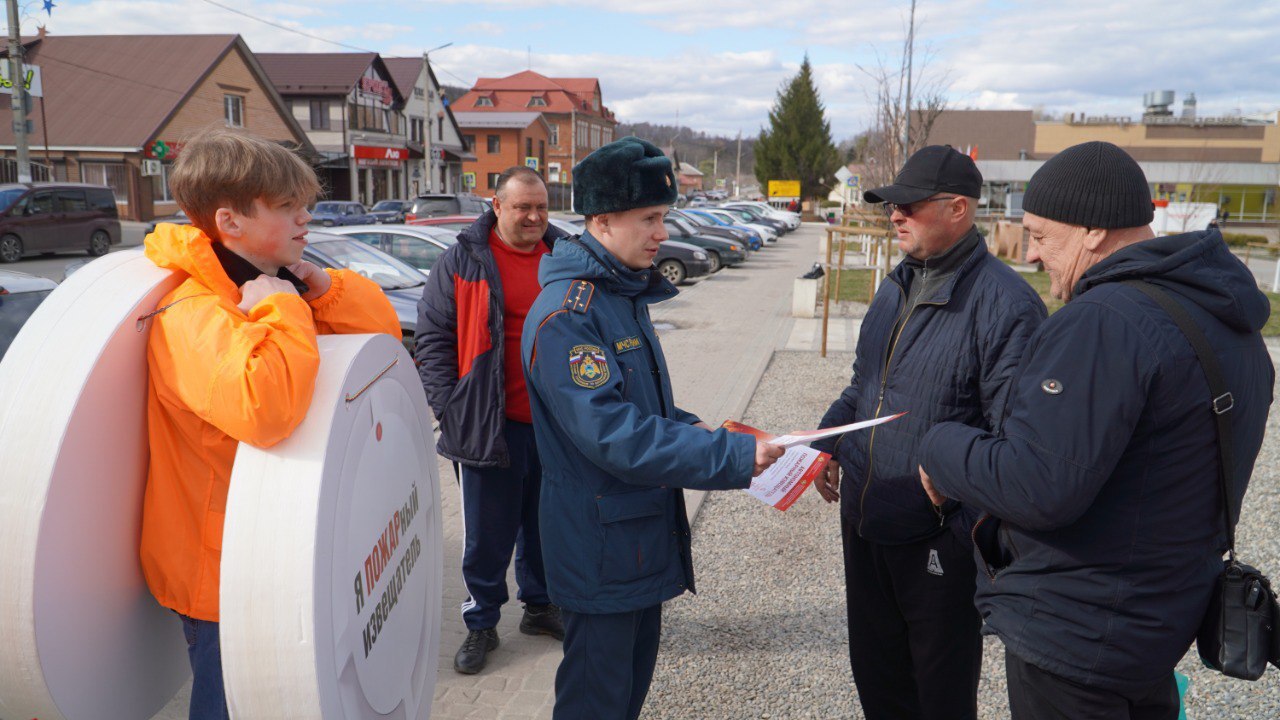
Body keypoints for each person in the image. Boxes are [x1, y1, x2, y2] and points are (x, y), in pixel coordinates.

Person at [918, 141, 1274, 720]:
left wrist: (940, 446)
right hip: (1160, 622)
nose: (1031, 255)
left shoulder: (1105, 321)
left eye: (1039, 235)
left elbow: (1038, 484)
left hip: (1080, 636)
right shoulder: (1228, 319)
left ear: (1090, 231)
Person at [138, 127, 400, 720]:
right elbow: (267, 410)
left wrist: (323, 289)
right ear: (230, 222)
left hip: (274, 551)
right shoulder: (194, 312)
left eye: (304, 204)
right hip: (223, 575)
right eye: (287, 207)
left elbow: (379, 345)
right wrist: (283, 305)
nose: (306, 218)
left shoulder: (268, 286)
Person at [521, 137, 785, 720]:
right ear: (601, 220)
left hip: (633, 543)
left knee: (625, 700)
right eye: (650, 219)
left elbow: (652, 414)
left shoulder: (619, 296)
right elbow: (616, 435)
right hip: (599, 549)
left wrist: (721, 434)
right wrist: (731, 457)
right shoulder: (570, 314)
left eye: (663, 217)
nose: (663, 233)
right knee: (597, 702)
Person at [810, 144, 1046, 720]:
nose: (895, 215)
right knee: (878, 680)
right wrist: (825, 442)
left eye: (909, 206)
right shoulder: (894, 285)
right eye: (892, 205)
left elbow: (1013, 444)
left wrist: (954, 525)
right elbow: (865, 388)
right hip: (865, 525)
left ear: (958, 209)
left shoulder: (1007, 306)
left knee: (937, 696)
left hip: (937, 545)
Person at [415, 165, 567, 674]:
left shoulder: (564, 257)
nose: (534, 216)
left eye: (541, 207)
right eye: (523, 207)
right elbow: (433, 341)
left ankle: (539, 607)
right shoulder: (463, 261)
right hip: (486, 427)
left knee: (545, 526)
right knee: (487, 535)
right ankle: (481, 625)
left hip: (553, 427)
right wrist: (450, 408)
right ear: (497, 206)